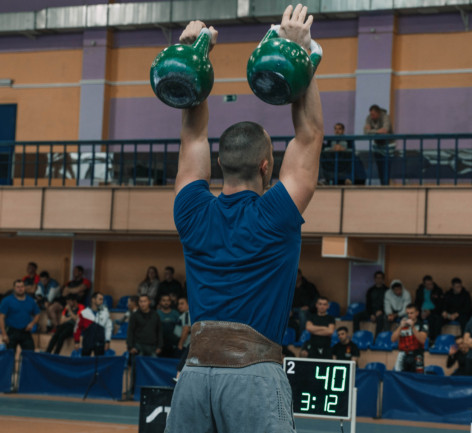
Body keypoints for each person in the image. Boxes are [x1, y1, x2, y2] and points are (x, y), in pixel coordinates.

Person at [166, 6, 323, 432]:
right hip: (253, 377)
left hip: (194, 376)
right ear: (268, 166)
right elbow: (309, 135)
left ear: (218, 162)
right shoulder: (276, 213)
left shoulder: (192, 209)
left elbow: (193, 134)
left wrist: (192, 61)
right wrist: (300, 53)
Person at [0, 279, 40, 352]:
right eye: (18, 287)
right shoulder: (7, 300)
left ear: (25, 288)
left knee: (30, 354)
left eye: (22, 287)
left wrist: (32, 323)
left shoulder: (30, 301)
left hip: (25, 331)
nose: (20, 289)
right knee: (10, 356)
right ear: (14, 288)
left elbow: (37, 314)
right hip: (11, 331)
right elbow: (1, 318)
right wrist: (4, 334)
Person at [391, 303, 428, 373]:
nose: (409, 315)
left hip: (417, 354)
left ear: (417, 313)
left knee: (417, 378)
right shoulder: (402, 324)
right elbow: (393, 339)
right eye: (407, 313)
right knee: (400, 377)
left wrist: (413, 327)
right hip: (403, 354)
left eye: (411, 313)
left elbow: (422, 340)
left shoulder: (423, 324)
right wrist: (400, 327)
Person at [74, 292, 113, 356]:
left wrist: (107, 341)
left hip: (100, 342)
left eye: (102, 299)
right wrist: (76, 341)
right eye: (100, 299)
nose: (102, 301)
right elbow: (77, 328)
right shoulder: (84, 313)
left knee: (100, 363)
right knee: (85, 362)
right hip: (87, 341)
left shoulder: (105, 312)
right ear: (93, 300)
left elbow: (108, 327)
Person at [363, 104, 394, 186]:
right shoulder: (369, 118)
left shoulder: (385, 117)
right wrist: (377, 131)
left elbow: (385, 130)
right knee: (380, 167)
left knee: (386, 168)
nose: (372, 117)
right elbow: (366, 132)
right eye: (371, 114)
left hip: (388, 145)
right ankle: (382, 185)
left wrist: (372, 131)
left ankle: (386, 186)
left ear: (378, 113)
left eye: (373, 115)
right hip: (377, 146)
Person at [291, 268, 320, 336]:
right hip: (293, 309)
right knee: (283, 313)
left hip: (306, 310)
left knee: (303, 314)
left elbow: (316, 299)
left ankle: (302, 336)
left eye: (296, 275)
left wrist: (309, 307)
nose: (294, 276)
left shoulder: (309, 286)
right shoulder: (290, 286)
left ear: (300, 275)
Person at [414, 275, 443, 342]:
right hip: (422, 311)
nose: (430, 285)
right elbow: (417, 303)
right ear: (424, 284)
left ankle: (433, 340)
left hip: (434, 311)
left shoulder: (437, 290)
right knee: (415, 319)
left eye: (431, 284)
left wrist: (430, 311)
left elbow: (440, 305)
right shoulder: (420, 291)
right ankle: (418, 339)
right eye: (428, 284)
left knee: (434, 319)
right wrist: (420, 311)